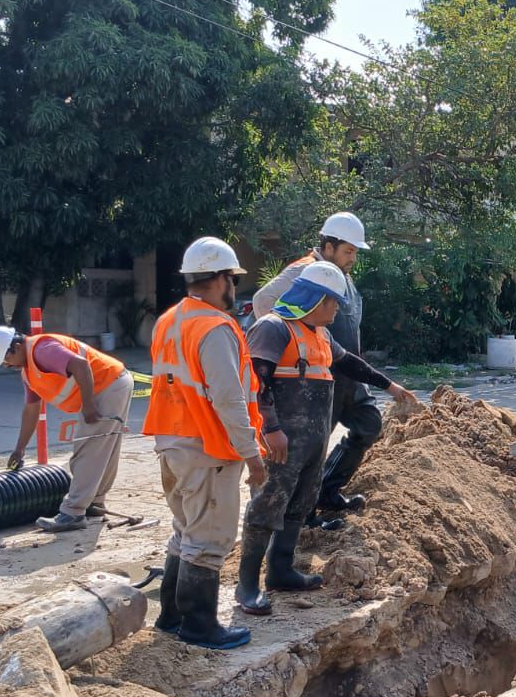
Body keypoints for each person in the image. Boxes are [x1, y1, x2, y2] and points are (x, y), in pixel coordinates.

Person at [235, 260, 416, 615]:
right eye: (332, 302)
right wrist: (270, 429)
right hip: (281, 443)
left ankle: (281, 570)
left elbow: (350, 364)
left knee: (300, 505)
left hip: (312, 443)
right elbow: (256, 384)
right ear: (314, 300)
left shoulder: (320, 335)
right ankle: (246, 585)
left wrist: (390, 386)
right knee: (266, 506)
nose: (336, 310)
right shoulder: (274, 329)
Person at [142, 236, 269, 650]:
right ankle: (200, 626)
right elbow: (229, 398)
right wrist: (253, 456)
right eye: (232, 278)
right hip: (207, 446)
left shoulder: (170, 320)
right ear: (219, 279)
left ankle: (172, 617)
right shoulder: (214, 327)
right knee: (209, 537)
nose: (234, 287)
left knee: (186, 530)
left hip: (171, 442)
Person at [252, 212, 380, 519]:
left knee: (369, 424)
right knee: (311, 448)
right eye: (348, 251)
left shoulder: (341, 277)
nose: (352, 258)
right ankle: (301, 516)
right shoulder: (305, 271)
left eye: (354, 252)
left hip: (345, 372)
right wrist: (296, 342)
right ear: (328, 245)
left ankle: (327, 491)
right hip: (316, 377)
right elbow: (262, 301)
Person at [0, 324, 132, 532]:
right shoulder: (28, 372)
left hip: (108, 385)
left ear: (15, 346)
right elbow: (31, 411)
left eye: (6, 359)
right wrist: (19, 449)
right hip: (109, 384)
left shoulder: (42, 350)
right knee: (102, 448)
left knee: (88, 451)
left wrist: (88, 404)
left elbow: (80, 365)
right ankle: (94, 503)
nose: (7, 365)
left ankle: (73, 512)